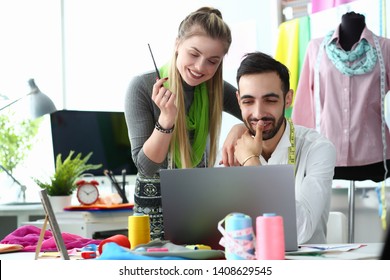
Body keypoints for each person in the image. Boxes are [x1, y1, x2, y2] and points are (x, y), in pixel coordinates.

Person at [124, 7, 242, 240]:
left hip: (201, 208)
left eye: (212, 61)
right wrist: (166, 120)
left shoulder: (215, 89)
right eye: (194, 54)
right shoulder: (141, 87)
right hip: (153, 217)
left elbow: (263, 121)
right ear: (177, 44)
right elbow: (146, 167)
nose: (200, 67)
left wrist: (239, 128)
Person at [226, 51, 336, 244]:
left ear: (288, 99)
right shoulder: (231, 148)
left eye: (270, 100)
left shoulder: (318, 149)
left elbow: (300, 231)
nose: (259, 113)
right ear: (238, 101)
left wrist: (251, 162)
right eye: (248, 101)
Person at [292, 12, 390, 182]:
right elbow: (304, 104)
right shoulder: (316, 48)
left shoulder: (385, 49)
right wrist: (297, 152)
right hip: (325, 153)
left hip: (374, 156)